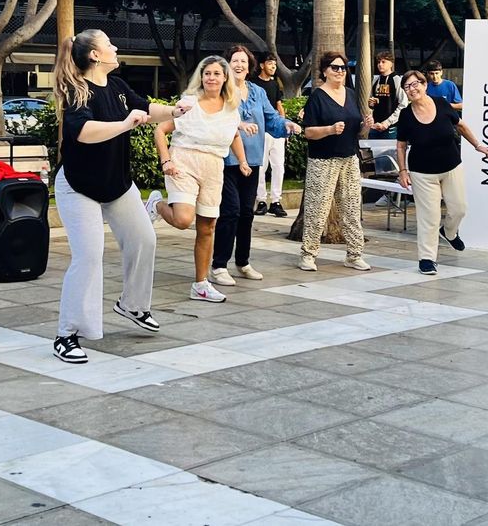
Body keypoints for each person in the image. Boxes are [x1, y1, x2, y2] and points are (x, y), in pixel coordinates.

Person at [50, 29, 185, 364]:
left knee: (144, 239)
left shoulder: (118, 87)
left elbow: (145, 109)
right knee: (89, 256)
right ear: (95, 55)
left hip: (116, 186)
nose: (116, 47)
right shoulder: (77, 92)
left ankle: (132, 305)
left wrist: (176, 111)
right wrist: (125, 125)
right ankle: (66, 334)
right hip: (78, 187)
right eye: (109, 44)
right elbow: (82, 133)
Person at [149, 56, 250, 303]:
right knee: (184, 220)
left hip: (214, 167)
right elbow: (160, 130)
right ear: (201, 78)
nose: (212, 78)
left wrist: (243, 161)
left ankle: (201, 284)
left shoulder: (231, 107)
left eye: (217, 73)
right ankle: (156, 205)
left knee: (207, 228)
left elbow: (234, 135)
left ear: (225, 78)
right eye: (207, 74)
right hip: (184, 161)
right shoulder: (189, 103)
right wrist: (166, 161)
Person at [209, 47, 301, 287]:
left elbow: (271, 119)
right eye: (234, 60)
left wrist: (288, 125)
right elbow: (215, 120)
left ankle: (243, 262)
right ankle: (219, 266)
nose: (238, 64)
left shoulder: (258, 92)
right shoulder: (220, 91)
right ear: (227, 65)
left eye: (243, 61)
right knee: (230, 211)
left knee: (247, 214)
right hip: (225, 160)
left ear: (250, 67)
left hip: (252, 162)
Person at [395, 69, 488, 274]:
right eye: (407, 87)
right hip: (422, 172)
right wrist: (403, 171)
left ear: (424, 85)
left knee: (459, 208)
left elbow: (461, 126)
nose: (412, 89)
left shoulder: (441, 103)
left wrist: (478, 146)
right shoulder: (405, 115)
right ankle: (427, 259)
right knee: (428, 217)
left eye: (415, 84)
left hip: (451, 166)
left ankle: (449, 232)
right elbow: (401, 145)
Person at [297, 50, 373, 272]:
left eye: (343, 68)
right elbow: (309, 132)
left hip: (349, 158)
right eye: (334, 68)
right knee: (316, 209)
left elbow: (356, 130)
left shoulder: (350, 94)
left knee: (350, 207)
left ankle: (354, 254)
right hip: (323, 160)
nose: (340, 71)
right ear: (324, 71)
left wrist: (366, 125)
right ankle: (308, 254)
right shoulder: (317, 97)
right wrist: (329, 130)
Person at [251, 52, 289, 216]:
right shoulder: (253, 84)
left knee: (278, 166)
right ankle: (261, 200)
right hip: (260, 131)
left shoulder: (275, 84)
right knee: (261, 166)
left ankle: (276, 201)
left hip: (276, 130)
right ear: (261, 65)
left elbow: (279, 106)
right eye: (270, 63)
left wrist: (284, 125)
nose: (273, 66)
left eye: (274, 64)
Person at [367, 51, 407, 139]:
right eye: (378, 62)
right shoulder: (375, 80)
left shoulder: (397, 80)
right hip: (375, 126)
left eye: (383, 62)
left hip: (391, 127)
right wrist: (371, 104)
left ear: (391, 64)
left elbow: (403, 104)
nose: (380, 64)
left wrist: (387, 122)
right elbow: (372, 102)